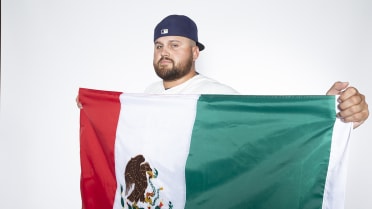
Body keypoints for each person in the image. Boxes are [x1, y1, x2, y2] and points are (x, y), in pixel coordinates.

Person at [77, 14, 369, 128]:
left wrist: (330, 113)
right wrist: (94, 112)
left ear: (195, 52)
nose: (163, 52)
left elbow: (266, 133)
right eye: (158, 45)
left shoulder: (216, 95)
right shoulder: (148, 94)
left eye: (175, 44)